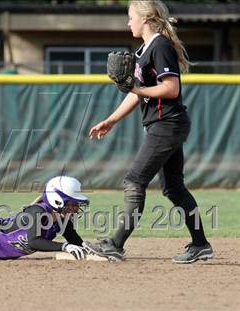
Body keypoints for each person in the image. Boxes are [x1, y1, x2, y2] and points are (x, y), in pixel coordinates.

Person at [85, 0, 213, 264]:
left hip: (167, 123)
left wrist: (138, 90)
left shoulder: (161, 46)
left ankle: (115, 244)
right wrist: (111, 120)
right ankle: (201, 245)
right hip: (164, 124)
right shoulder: (144, 50)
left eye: (130, 16)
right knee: (174, 188)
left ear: (144, 18)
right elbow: (136, 95)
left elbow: (171, 89)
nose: (128, 22)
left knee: (134, 181)